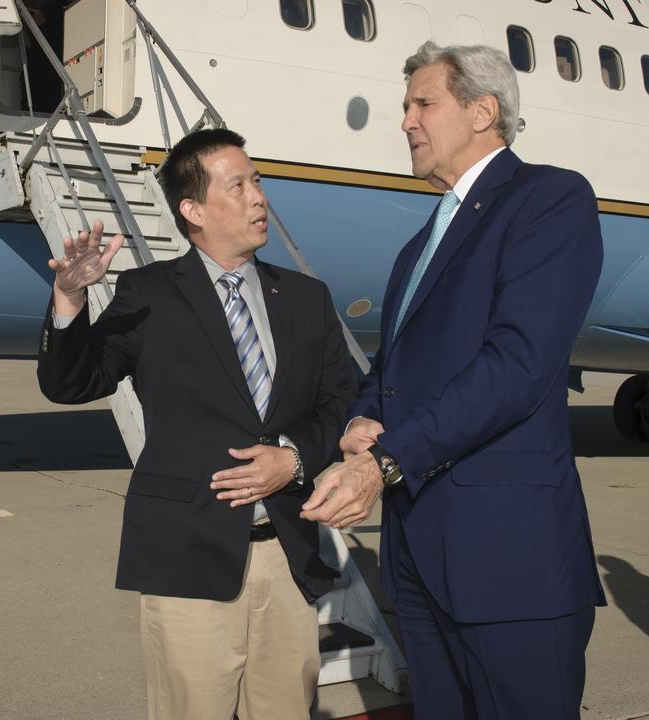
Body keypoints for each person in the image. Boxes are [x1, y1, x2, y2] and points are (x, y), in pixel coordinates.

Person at [301, 42, 607, 719]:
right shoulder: (421, 244)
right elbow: (391, 372)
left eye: (422, 103)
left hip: (508, 564)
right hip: (418, 560)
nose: (406, 121)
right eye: (405, 106)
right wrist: (361, 420)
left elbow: (517, 365)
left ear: (481, 112)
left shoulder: (549, 200)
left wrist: (384, 463)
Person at [37, 128, 356, 720]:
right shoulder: (148, 294)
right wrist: (69, 301)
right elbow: (73, 383)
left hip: (286, 557)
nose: (259, 197)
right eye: (239, 185)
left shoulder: (306, 298)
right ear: (192, 210)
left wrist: (294, 457)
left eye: (257, 181)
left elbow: (339, 398)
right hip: (187, 560)